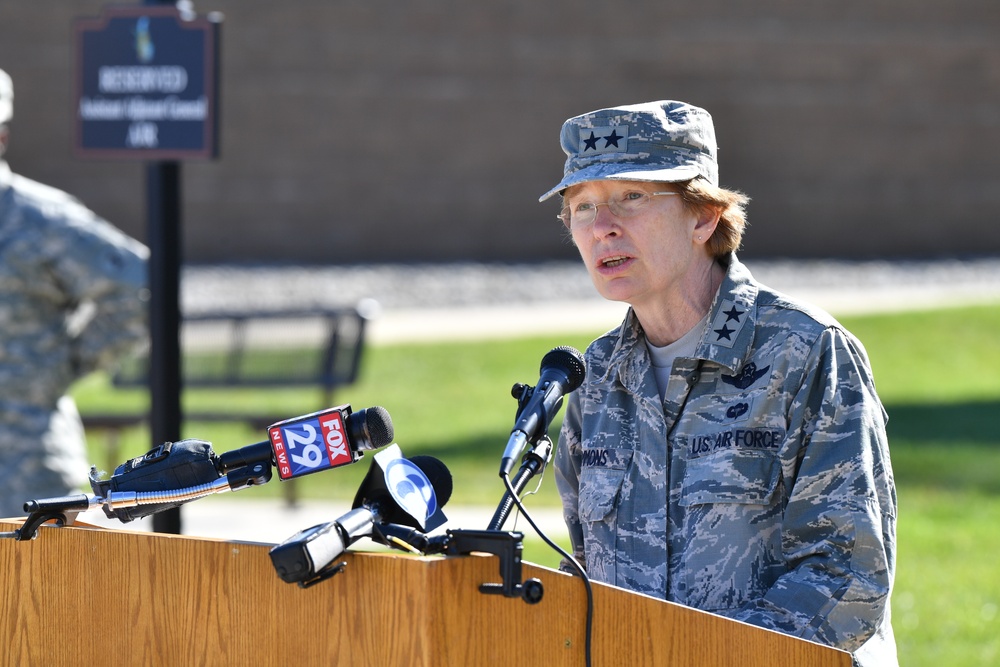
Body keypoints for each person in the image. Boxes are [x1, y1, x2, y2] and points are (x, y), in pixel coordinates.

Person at [541, 100, 897, 665]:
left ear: (703, 216)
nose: (603, 227)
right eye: (582, 208)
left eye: (631, 198)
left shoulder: (804, 352)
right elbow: (585, 568)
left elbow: (846, 576)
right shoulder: (594, 377)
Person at [0, 67, 149, 517]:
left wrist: (66, 363)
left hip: (22, 467)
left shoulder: (37, 219)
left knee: (40, 586)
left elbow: (140, 289)